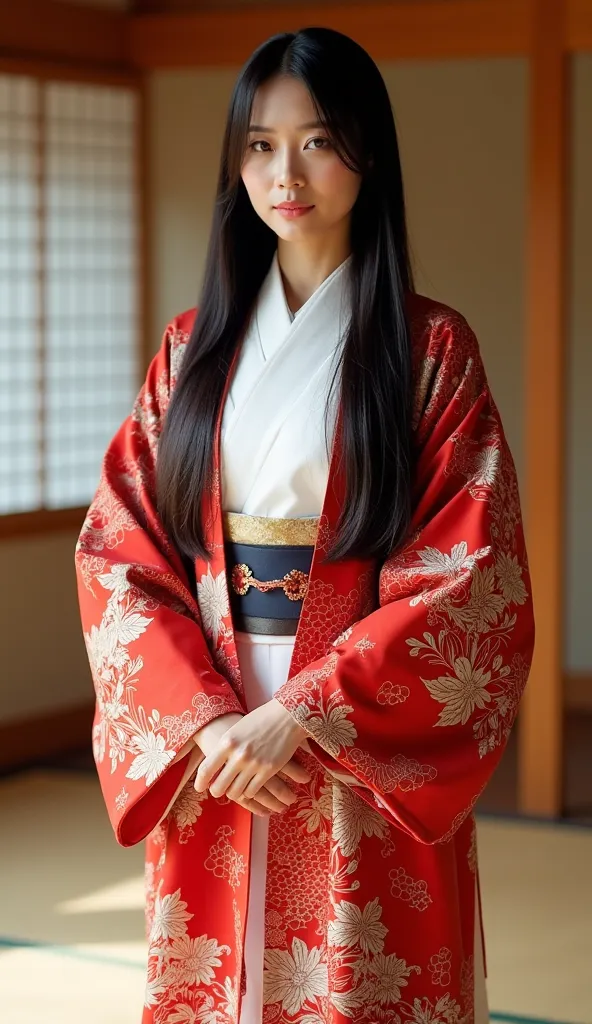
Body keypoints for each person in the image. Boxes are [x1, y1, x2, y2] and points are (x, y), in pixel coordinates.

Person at [75, 26, 535, 1024]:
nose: (284, 172)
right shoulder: (192, 348)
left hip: (348, 721)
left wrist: (304, 715)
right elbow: (121, 553)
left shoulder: (430, 350)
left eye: (318, 141)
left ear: (368, 154)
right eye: (258, 144)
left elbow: (468, 574)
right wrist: (203, 724)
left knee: (353, 978)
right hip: (215, 720)